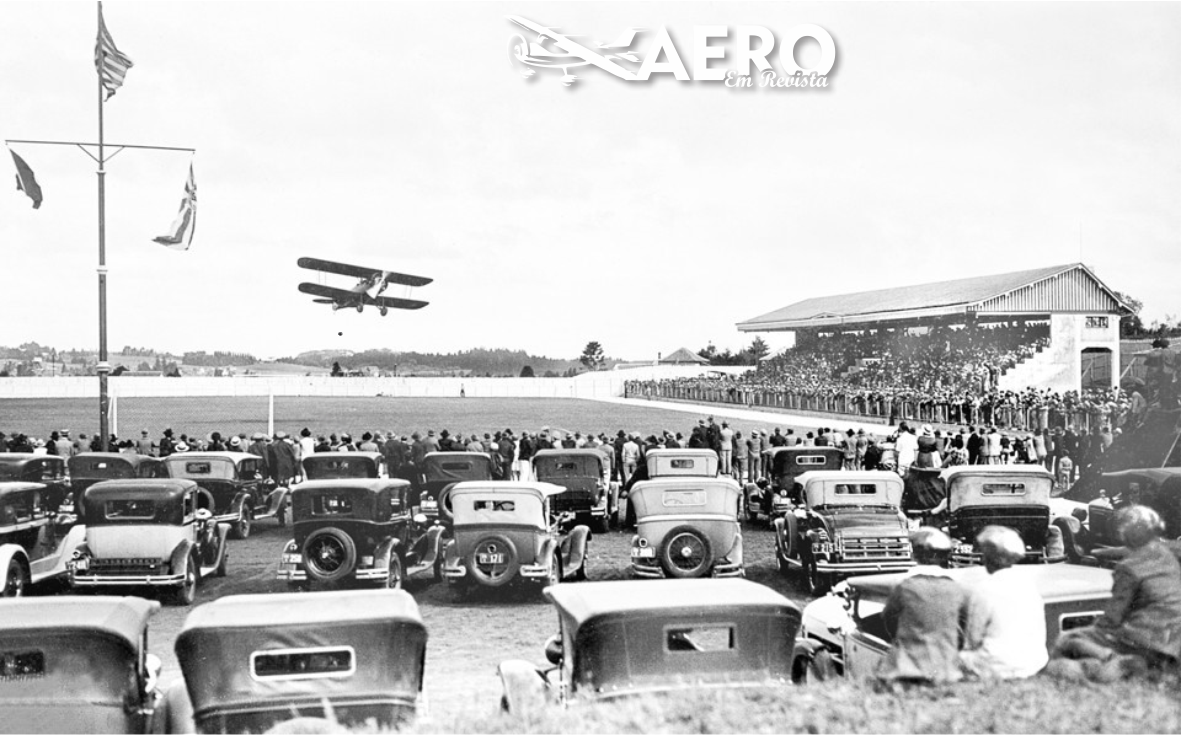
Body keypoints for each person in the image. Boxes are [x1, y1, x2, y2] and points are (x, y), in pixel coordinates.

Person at [1050, 505, 1181, 679]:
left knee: (1069, 639)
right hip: (1174, 637)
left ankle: (1112, 658)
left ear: (1123, 533)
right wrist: (1101, 552)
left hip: (1142, 639)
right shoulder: (1167, 555)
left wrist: (1093, 626)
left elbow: (1111, 620)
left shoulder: (1128, 568)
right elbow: (1135, 551)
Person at [876, 528, 968, 686]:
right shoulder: (955, 587)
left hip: (909, 666)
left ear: (915, 554)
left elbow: (887, 620)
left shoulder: (905, 585)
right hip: (947, 667)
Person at [959, 526, 1048, 679]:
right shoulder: (1028, 584)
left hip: (997, 663)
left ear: (989, 557)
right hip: (1034, 661)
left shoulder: (984, 588)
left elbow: (973, 638)